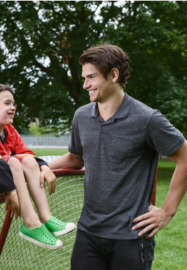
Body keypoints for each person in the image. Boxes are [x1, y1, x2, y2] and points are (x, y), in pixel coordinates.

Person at [49, 44, 187, 269]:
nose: (85, 85)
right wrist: (41, 167)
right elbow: (76, 157)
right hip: (88, 233)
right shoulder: (81, 116)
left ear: (113, 75)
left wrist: (167, 211)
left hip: (131, 236)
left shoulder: (148, 119)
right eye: (84, 78)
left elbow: (185, 157)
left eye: (91, 77)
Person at [0, 83, 76, 250]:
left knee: (27, 161)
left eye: (13, 103)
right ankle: (30, 223)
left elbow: (26, 154)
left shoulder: (9, 130)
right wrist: (11, 191)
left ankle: (46, 217)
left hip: (2, 183)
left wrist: (44, 166)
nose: (13, 107)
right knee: (12, 161)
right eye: (7, 103)